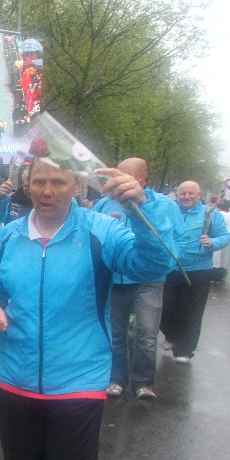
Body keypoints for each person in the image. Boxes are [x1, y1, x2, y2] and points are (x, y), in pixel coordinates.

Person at [0, 160, 172, 460]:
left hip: (79, 376)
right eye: (39, 182)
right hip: (13, 376)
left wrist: (143, 207)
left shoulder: (102, 231)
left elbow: (153, 263)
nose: (47, 190)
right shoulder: (9, 235)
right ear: (27, 184)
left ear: (77, 184)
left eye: (58, 181)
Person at [90, 158, 181, 400]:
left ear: (141, 178)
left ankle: (143, 383)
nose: (117, 180)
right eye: (116, 174)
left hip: (150, 280)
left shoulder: (164, 205)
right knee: (116, 333)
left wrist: (167, 265)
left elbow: (177, 240)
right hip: (116, 280)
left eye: (124, 175)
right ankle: (116, 379)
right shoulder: (104, 204)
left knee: (147, 334)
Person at [160, 181, 230, 364]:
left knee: (192, 312)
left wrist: (212, 242)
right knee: (165, 307)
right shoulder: (168, 212)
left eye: (191, 193)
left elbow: (225, 236)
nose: (186, 197)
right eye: (182, 193)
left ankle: (185, 350)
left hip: (199, 269)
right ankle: (171, 334)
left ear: (198, 195)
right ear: (177, 195)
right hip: (170, 268)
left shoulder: (210, 214)